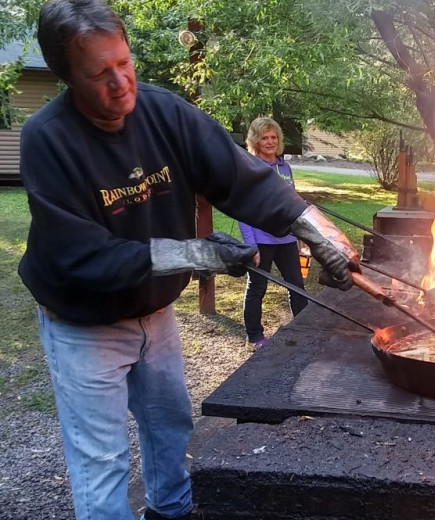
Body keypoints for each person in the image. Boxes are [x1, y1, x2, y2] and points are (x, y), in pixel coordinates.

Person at [17, 1, 359, 519]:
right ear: (66, 77)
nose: (121, 83)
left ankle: (172, 512)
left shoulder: (164, 112)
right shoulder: (47, 139)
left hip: (154, 311)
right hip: (84, 322)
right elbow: (82, 256)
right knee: (102, 460)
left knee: (171, 423)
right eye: (100, 74)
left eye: (124, 63)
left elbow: (239, 176)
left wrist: (314, 230)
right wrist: (199, 253)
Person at [240, 117, 308, 350]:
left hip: (287, 237)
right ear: (255, 140)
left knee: (297, 285)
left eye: (273, 137)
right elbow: (243, 210)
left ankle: (303, 328)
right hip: (261, 239)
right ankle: (254, 337)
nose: (269, 142)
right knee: (257, 287)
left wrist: (299, 235)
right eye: (264, 137)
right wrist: (251, 245)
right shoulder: (250, 168)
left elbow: (294, 204)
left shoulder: (285, 167)